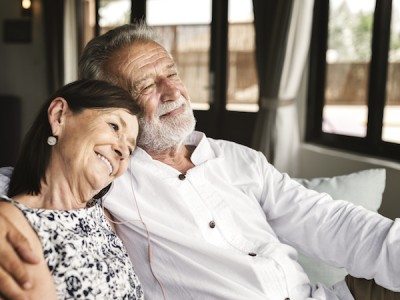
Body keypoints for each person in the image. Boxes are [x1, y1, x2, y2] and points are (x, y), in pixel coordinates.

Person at [0, 23, 399, 300]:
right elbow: (36, 183)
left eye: (172, 74)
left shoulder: (239, 159)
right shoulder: (110, 170)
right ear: (111, 103)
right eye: (147, 84)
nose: (173, 90)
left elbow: (332, 222)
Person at [0, 79, 144, 299]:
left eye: (130, 149)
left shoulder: (105, 217)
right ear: (59, 116)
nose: (123, 151)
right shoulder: (12, 225)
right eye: (114, 126)